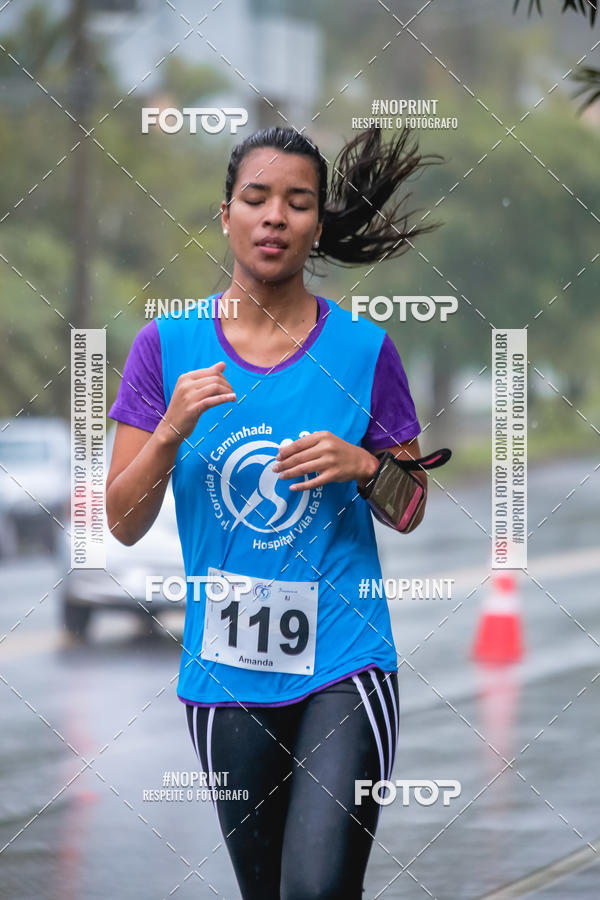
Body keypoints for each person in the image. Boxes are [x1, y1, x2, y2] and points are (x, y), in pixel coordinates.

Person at [106, 125, 443, 899]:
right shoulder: (166, 346)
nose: (274, 217)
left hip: (345, 664)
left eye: (297, 203)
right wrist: (167, 433)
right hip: (225, 675)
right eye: (256, 199)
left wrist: (365, 467)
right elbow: (122, 521)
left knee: (316, 891)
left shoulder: (363, 350)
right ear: (225, 215)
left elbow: (413, 504)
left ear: (317, 226)